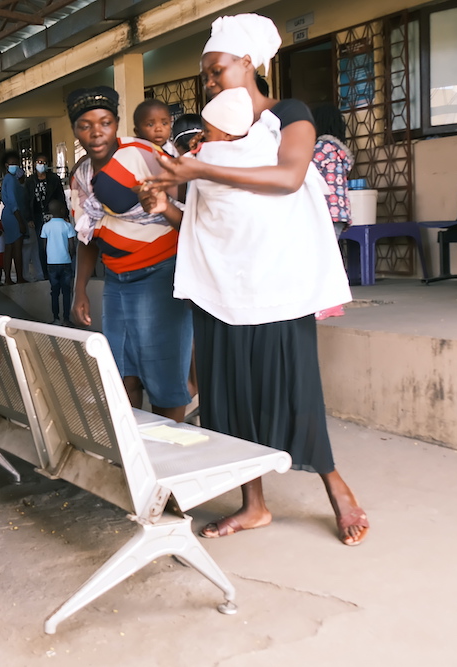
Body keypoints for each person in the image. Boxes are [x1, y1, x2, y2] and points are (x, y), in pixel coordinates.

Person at [146, 13, 367, 547]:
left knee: (294, 388)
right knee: (227, 397)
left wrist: (201, 170)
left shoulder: (289, 114)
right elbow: (208, 218)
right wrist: (166, 203)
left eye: (216, 70)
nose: (210, 81)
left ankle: (335, 487)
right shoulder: (208, 140)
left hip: (276, 282)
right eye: (206, 75)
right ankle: (254, 504)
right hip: (220, 285)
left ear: (247, 62)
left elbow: (289, 177)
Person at [68, 85, 192, 425]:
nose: (96, 132)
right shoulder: (81, 174)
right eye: (85, 125)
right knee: (125, 376)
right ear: (75, 130)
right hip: (117, 280)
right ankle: (138, 455)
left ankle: (170, 459)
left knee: (165, 379)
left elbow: (180, 206)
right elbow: (86, 234)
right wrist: (79, 291)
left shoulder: (143, 153)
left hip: (160, 273)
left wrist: (153, 200)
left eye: (105, 122)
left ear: (117, 124)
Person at [312, 103, 354, 321]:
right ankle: (333, 303)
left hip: (324, 212)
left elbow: (304, 171)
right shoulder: (339, 151)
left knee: (322, 258)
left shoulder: (320, 148)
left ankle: (329, 303)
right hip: (339, 212)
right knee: (331, 256)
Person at [25, 153, 67, 281]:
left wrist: (64, 214)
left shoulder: (54, 179)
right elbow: (27, 200)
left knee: (56, 244)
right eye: (38, 162)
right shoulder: (30, 181)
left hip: (53, 215)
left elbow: (60, 197)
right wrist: (29, 218)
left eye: (43, 162)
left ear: (47, 164)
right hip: (38, 216)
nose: (40, 165)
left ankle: (58, 270)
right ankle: (45, 272)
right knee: (42, 245)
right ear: (34, 164)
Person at [40, 199, 76, 325]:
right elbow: (72, 246)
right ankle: (66, 319)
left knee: (54, 292)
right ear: (62, 210)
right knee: (66, 292)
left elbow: (44, 246)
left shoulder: (46, 226)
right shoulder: (68, 226)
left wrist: (50, 256)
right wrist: (70, 257)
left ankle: (56, 318)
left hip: (51, 263)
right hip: (65, 262)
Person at [0, 151, 27, 283]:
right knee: (16, 247)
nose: (15, 166)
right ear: (6, 165)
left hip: (9, 215)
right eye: (12, 164)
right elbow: (13, 201)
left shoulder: (9, 178)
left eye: (16, 163)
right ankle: (19, 277)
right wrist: (20, 220)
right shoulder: (10, 179)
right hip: (13, 215)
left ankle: (8, 278)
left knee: (9, 247)